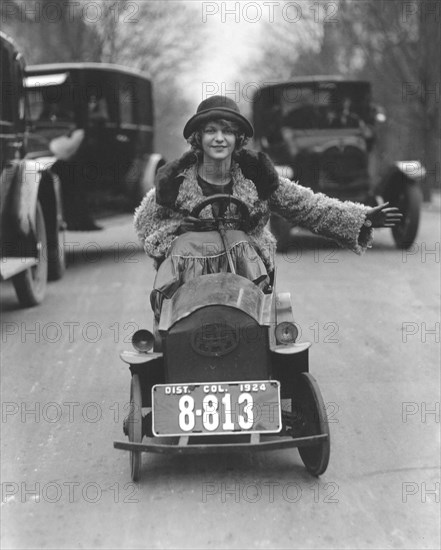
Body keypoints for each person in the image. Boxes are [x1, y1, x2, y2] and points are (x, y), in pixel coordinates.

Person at [134, 96, 401, 317]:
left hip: (245, 270)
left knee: (241, 242)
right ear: (198, 138)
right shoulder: (173, 182)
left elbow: (308, 206)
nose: (219, 138)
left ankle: (255, 330)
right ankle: (177, 330)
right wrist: (179, 230)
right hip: (188, 280)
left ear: (238, 138)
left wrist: (361, 218)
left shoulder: (258, 176)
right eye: (211, 131)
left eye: (227, 131)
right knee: (183, 248)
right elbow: (146, 225)